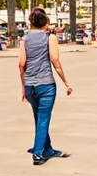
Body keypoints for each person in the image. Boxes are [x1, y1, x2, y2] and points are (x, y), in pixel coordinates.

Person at [18, 9, 73, 166]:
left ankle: (47, 148)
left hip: (30, 85)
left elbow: (21, 64)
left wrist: (23, 88)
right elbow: (55, 60)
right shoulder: (50, 37)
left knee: (39, 117)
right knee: (43, 118)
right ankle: (38, 152)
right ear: (46, 22)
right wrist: (66, 83)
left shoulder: (25, 39)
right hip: (45, 85)